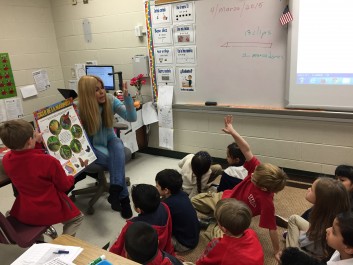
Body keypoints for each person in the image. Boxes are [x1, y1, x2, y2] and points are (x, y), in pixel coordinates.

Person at [191, 115, 288, 258]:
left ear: (264, 188)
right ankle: (215, 219)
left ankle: (213, 223)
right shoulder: (258, 169)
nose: (251, 175)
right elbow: (246, 149)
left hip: (234, 216)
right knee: (194, 201)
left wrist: (276, 250)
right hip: (225, 197)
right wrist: (232, 131)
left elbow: (272, 228)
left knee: (220, 238)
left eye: (254, 178)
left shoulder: (267, 202)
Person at [0, 120, 83, 236]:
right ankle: (65, 244)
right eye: (34, 135)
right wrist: (71, 176)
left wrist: (37, 142)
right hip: (48, 208)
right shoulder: (49, 161)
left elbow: (27, 159)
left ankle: (38, 239)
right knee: (77, 218)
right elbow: (64, 186)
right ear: (29, 141)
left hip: (25, 209)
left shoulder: (6, 159)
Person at [77, 75, 136, 218]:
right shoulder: (79, 109)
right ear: (87, 94)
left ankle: (115, 191)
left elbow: (131, 117)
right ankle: (124, 198)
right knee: (118, 161)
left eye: (102, 88)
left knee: (117, 144)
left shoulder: (110, 99)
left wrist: (127, 98)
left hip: (110, 140)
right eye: (96, 90)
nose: (102, 92)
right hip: (92, 147)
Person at [285, 177, 351, 261]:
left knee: (295, 243)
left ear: (321, 199)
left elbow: (309, 240)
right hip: (318, 237)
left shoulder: (329, 223)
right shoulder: (326, 211)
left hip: (321, 249)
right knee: (294, 218)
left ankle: (291, 256)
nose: (308, 189)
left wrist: (297, 238)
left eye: (312, 189)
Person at [110, 184, 174, 257]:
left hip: (141, 257)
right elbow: (169, 233)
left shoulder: (132, 227)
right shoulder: (165, 207)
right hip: (161, 250)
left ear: (138, 210)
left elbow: (118, 249)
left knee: (114, 240)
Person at [196, 198, 264, 265]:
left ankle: (210, 226)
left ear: (224, 229)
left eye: (218, 221)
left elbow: (203, 261)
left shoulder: (217, 244)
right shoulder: (251, 233)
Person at [155, 169, 200, 252]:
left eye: (157, 186)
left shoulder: (167, 205)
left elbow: (161, 225)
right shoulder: (183, 194)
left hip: (184, 244)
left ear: (166, 190)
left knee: (155, 240)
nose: (155, 187)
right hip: (194, 235)